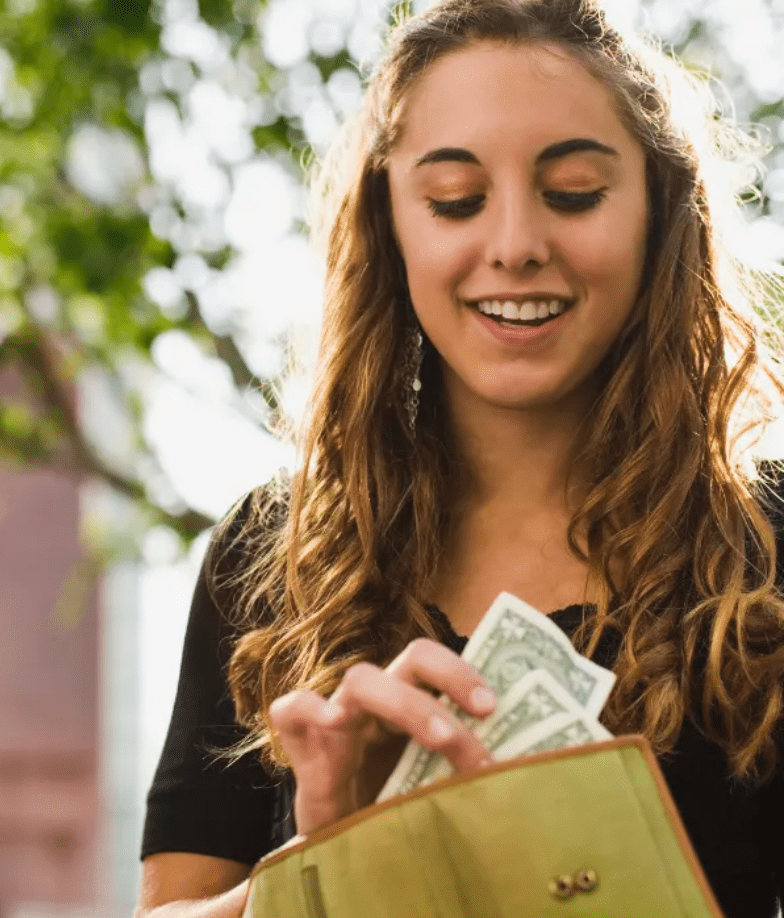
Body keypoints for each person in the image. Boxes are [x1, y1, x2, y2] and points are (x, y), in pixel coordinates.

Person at [136, 0, 784, 915]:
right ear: (390, 224)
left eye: (574, 193)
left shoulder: (769, 546)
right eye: (455, 201)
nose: (515, 246)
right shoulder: (270, 557)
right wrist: (326, 862)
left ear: (659, 212)